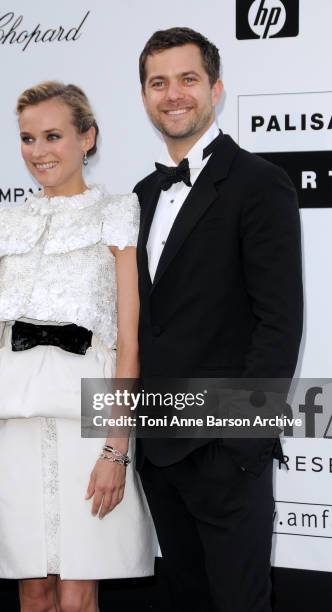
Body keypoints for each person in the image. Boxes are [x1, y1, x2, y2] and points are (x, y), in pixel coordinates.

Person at [0, 81, 156, 612]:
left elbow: (127, 343)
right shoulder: (6, 223)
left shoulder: (117, 212)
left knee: (78, 588)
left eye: (53, 136)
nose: (38, 151)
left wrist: (116, 446)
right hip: (11, 422)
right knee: (31, 587)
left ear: (87, 138)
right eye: (27, 138)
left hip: (86, 422)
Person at [134, 27, 303, 612]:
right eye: (159, 82)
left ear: (216, 89)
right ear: (144, 96)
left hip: (225, 451)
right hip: (156, 447)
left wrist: (242, 441)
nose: (172, 93)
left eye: (187, 79)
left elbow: (279, 322)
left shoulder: (259, 183)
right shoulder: (141, 195)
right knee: (188, 599)